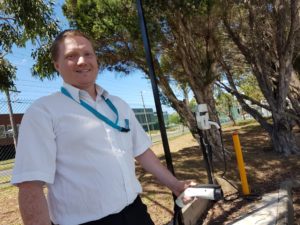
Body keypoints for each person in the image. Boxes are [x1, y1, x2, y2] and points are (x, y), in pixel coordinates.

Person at [12, 29, 193, 225]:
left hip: (136, 213)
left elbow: (142, 153)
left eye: (87, 54)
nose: (82, 61)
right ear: (57, 65)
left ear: (96, 59)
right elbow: (30, 185)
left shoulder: (119, 105)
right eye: (71, 56)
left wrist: (175, 185)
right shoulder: (42, 111)